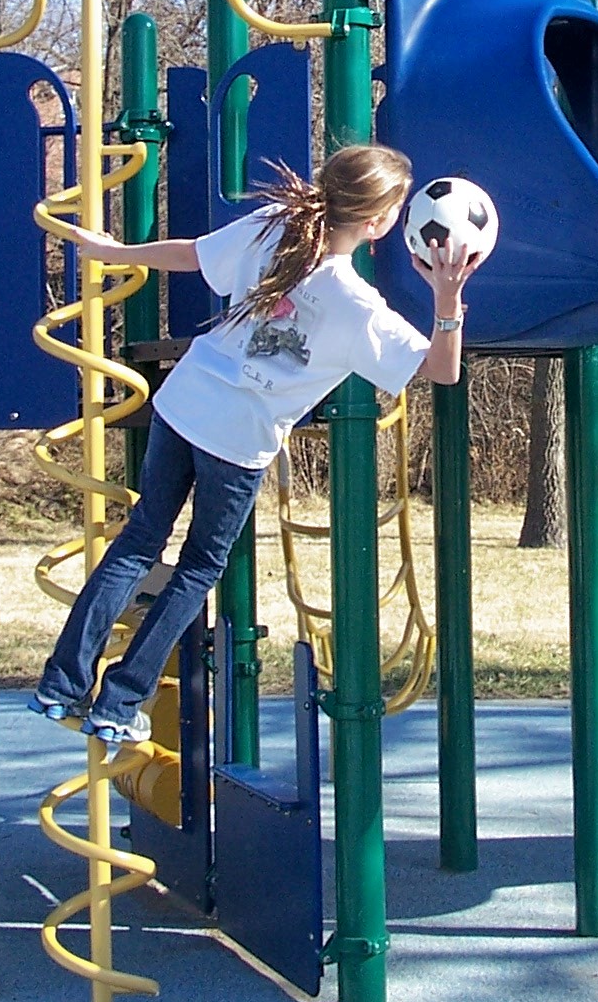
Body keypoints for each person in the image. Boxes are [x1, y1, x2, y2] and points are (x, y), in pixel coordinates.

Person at [33, 143, 478, 746]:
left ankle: (61, 683)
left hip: (184, 402)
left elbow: (191, 254)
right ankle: (119, 701)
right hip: (237, 440)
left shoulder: (274, 227)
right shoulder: (358, 306)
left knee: (139, 542)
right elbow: (442, 371)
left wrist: (116, 253)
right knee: (198, 567)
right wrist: (448, 301)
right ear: (377, 223)